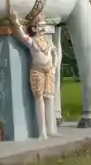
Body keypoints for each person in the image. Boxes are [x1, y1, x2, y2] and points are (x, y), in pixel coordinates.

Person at [8, 9, 59, 139]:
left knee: (50, 98)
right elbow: (21, 34)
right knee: (39, 99)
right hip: (37, 71)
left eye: (44, 25)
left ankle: (51, 128)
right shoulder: (32, 41)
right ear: (35, 28)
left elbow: (55, 52)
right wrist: (15, 21)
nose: (42, 28)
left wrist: (54, 65)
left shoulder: (48, 41)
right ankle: (42, 131)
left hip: (49, 71)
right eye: (40, 26)